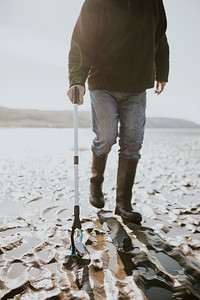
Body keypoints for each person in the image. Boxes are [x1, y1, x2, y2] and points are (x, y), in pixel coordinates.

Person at [67, 0, 169, 225]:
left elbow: (160, 35)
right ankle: (96, 181)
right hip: (103, 82)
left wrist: (161, 71)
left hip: (137, 84)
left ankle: (123, 204)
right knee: (106, 137)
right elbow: (82, 40)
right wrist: (77, 80)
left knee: (133, 144)